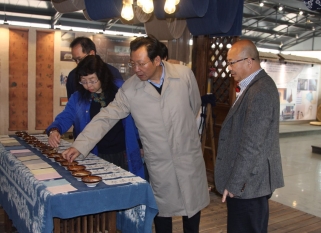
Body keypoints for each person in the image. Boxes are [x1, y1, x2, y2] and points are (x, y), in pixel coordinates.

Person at [62, 35, 210, 233]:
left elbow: (194, 107)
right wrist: (79, 145)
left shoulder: (183, 76)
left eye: (141, 64)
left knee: (192, 212)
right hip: (159, 162)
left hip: (187, 157)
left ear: (157, 60)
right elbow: (106, 117)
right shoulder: (130, 89)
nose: (136, 69)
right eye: (133, 63)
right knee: (162, 213)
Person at [214, 39, 284, 233]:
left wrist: (235, 184)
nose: (229, 68)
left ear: (249, 61)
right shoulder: (254, 86)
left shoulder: (260, 90)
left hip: (250, 184)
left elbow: (252, 145)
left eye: (231, 62)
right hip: (249, 182)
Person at [46, 55, 144, 178]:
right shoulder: (78, 97)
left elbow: (137, 119)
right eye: (84, 81)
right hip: (93, 152)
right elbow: (65, 117)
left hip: (123, 151)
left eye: (92, 80)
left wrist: (141, 144)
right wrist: (55, 130)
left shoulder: (120, 89)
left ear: (101, 75)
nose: (88, 85)